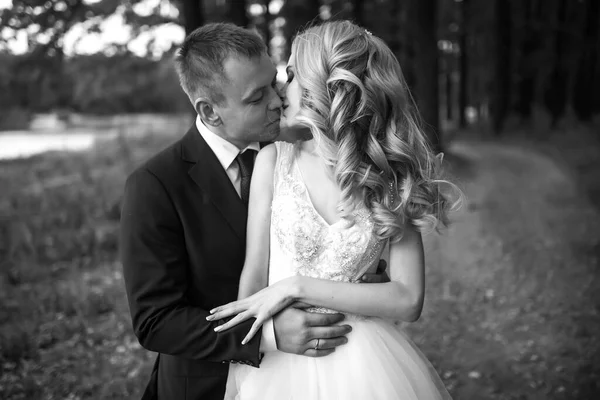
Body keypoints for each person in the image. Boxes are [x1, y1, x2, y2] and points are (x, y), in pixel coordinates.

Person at [119, 22, 388, 400]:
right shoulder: (155, 185)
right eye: (256, 97)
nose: (277, 101)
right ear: (210, 113)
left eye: (275, 83)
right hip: (205, 387)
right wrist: (269, 335)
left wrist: (357, 270)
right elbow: (156, 321)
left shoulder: (295, 149)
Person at [209, 20, 461, 399]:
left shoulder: (390, 174)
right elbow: (253, 278)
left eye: (292, 74)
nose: (279, 88)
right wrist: (245, 359)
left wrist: (295, 287)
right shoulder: (273, 162)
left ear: (325, 89)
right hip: (279, 363)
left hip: (364, 365)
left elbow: (408, 300)